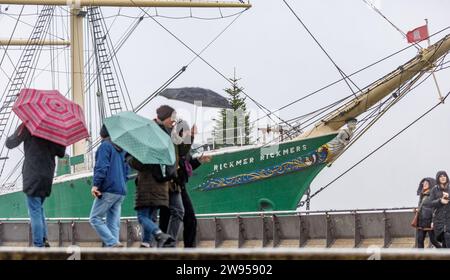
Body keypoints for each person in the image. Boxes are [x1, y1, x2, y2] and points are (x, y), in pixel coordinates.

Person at [6, 123, 66, 247]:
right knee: (39, 208)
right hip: (47, 176)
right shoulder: (56, 130)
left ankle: (39, 246)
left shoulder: (30, 125)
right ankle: (44, 239)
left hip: (32, 174)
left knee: (34, 210)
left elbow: (11, 143)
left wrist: (16, 132)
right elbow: (61, 153)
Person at [159, 120, 212, 247]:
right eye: (186, 133)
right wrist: (192, 136)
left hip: (179, 186)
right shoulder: (174, 145)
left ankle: (188, 249)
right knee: (168, 219)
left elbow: (186, 164)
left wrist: (199, 161)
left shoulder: (185, 148)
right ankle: (165, 248)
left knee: (189, 219)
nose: (187, 135)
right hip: (169, 187)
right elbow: (178, 159)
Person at [89, 125, 129, 248]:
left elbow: (102, 167)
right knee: (113, 223)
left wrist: (96, 185)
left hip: (109, 189)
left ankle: (112, 243)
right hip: (120, 191)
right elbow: (127, 170)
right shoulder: (122, 149)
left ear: (102, 134)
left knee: (95, 218)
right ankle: (114, 252)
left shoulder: (105, 146)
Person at [426, 171, 450, 247]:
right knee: (444, 242)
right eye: (440, 176)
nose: (443, 177)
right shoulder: (434, 190)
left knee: (448, 237)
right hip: (439, 221)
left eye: (444, 176)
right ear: (438, 179)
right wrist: (440, 201)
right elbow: (430, 203)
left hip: (449, 220)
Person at [416, 178, 441, 248]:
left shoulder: (433, 195)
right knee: (420, 240)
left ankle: (445, 253)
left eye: (426, 183)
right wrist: (418, 210)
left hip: (430, 222)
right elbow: (422, 206)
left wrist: (433, 221)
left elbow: (435, 208)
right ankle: (421, 257)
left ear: (431, 185)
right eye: (423, 183)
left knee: (434, 241)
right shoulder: (422, 195)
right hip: (421, 222)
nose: (424, 184)